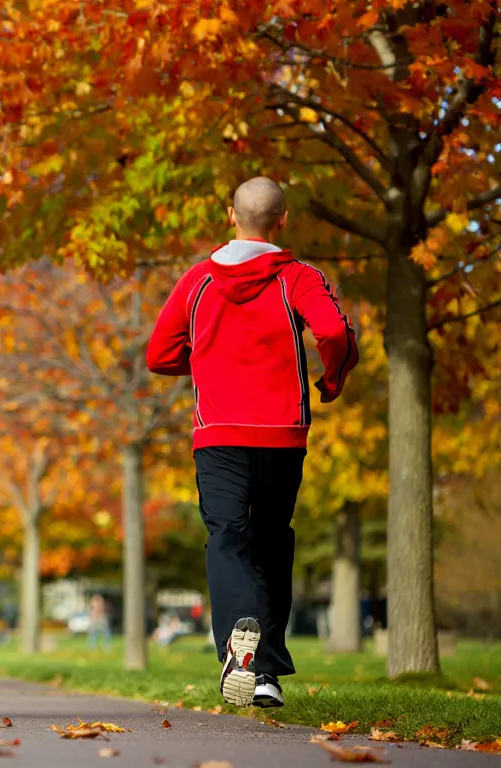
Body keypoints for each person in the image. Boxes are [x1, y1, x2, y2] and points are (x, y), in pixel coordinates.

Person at [147, 177, 359, 709]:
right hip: (283, 435)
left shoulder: (198, 280)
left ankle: (235, 645)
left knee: (226, 538)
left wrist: (201, 360)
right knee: (271, 541)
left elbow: (159, 353)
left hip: (218, 434)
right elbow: (333, 334)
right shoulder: (299, 277)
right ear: (282, 221)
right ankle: (266, 674)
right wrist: (330, 381)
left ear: (230, 214)